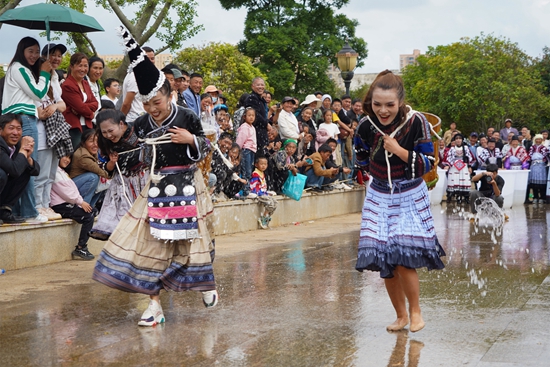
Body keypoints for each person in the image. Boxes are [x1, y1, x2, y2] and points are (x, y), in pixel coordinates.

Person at [93, 30, 218, 327]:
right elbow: (134, 150)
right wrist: (115, 147)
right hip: (156, 187)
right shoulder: (141, 122)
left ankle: (205, 283)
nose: (152, 110)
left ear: (170, 95)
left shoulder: (187, 115)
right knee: (149, 247)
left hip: (187, 185)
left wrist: (190, 139)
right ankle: (154, 306)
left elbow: (206, 147)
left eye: (157, 103)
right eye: (147, 105)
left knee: (191, 243)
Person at [355, 70, 445, 333]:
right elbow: (361, 158)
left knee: (403, 255)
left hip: (409, 194)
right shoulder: (365, 125)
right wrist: (366, 172)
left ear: (401, 102)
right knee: (386, 260)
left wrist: (398, 151)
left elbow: (428, 163)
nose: (383, 110)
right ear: (371, 101)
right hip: (379, 194)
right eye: (377, 104)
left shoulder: (417, 123)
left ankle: (416, 312)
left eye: (390, 105)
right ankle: (401, 316)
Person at [2, 37, 52, 222]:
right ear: (21, 50)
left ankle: (13, 210)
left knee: (21, 167)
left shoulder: (20, 69)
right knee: (29, 165)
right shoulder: (18, 68)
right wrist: (45, 73)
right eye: (30, 51)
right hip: (24, 120)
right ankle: (30, 212)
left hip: (20, 119)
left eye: (37, 51)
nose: (34, 55)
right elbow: (38, 93)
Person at [88, 109, 148, 240]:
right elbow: (105, 168)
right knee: (121, 215)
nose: (108, 135)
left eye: (111, 131)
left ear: (121, 124)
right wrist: (111, 162)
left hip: (144, 178)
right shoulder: (104, 143)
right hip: (122, 182)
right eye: (104, 132)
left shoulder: (138, 130)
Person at [34, 43, 70, 221]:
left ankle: (46, 205)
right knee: (40, 172)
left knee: (50, 173)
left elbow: (62, 105)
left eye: (59, 55)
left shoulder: (55, 77)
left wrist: (54, 106)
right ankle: (37, 206)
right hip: (41, 133)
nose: (56, 58)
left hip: (54, 132)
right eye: (52, 55)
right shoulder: (37, 76)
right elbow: (36, 106)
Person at [50, 155, 95, 260]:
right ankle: (81, 247)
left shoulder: (63, 172)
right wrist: (80, 202)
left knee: (93, 211)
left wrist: (80, 203)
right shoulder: (55, 172)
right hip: (60, 206)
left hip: (70, 203)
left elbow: (73, 190)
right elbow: (65, 193)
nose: (67, 160)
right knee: (88, 216)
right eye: (64, 157)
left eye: (69, 158)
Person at [0, 114, 39, 224]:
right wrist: (23, 151)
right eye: (11, 128)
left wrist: (28, 157)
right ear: (0, 130)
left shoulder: (16, 145)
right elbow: (14, 169)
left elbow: (35, 171)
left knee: (25, 171)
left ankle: (4, 211)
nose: (16, 133)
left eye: (19, 129)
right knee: (1, 174)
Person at [62, 53, 98, 148]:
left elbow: (95, 103)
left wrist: (83, 108)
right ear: (72, 66)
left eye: (85, 66)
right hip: (74, 128)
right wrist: (91, 114)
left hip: (87, 126)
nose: (83, 69)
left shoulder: (85, 83)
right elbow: (80, 108)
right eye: (80, 65)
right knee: (77, 156)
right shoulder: (67, 85)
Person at [69, 129, 110, 209]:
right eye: (91, 141)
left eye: (97, 141)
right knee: (94, 177)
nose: (95, 144)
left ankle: (90, 207)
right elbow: (99, 171)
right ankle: (82, 207)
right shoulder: (83, 156)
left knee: (102, 182)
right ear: (83, 143)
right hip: (72, 186)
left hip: (80, 183)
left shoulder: (90, 152)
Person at [120, 46, 155, 122]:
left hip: (144, 119)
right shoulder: (135, 76)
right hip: (134, 120)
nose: (151, 61)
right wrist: (121, 120)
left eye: (152, 58)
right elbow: (126, 104)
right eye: (147, 59)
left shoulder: (145, 75)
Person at [443, 133, 474, 203]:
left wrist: (469, 166)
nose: (458, 140)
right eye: (456, 139)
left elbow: (470, 157)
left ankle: (465, 197)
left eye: (460, 138)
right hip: (454, 166)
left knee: (464, 181)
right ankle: (451, 196)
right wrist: (448, 165)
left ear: (462, 140)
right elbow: (449, 158)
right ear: (454, 140)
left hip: (464, 166)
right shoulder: (452, 149)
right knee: (454, 181)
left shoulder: (466, 148)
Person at [250, 155, 278, 229]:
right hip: (258, 194)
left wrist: (266, 192)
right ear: (256, 165)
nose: (263, 166)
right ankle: (264, 217)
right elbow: (253, 185)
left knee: (275, 203)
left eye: (265, 164)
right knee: (270, 203)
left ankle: (267, 216)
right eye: (261, 164)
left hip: (263, 193)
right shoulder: (255, 173)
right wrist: (257, 193)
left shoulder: (262, 173)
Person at [236, 107, 257, 198]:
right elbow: (240, 141)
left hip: (252, 150)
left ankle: (247, 189)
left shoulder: (252, 127)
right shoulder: (244, 127)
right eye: (249, 115)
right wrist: (237, 151)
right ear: (244, 117)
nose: (251, 117)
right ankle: (245, 191)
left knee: (249, 170)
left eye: (253, 115)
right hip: (246, 151)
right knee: (246, 171)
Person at [245, 77, 269, 155]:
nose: (260, 87)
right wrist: (266, 124)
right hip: (255, 133)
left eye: (262, 85)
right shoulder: (252, 98)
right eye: (258, 85)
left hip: (262, 133)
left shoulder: (261, 99)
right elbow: (256, 115)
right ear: (253, 86)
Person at [527, 134, 547, 204]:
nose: (538, 141)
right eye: (537, 139)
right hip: (534, 166)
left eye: (540, 139)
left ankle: (542, 197)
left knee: (541, 182)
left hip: (541, 166)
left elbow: (546, 156)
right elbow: (529, 156)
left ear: (542, 140)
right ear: (535, 140)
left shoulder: (544, 148)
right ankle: (535, 197)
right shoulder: (532, 147)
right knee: (534, 182)